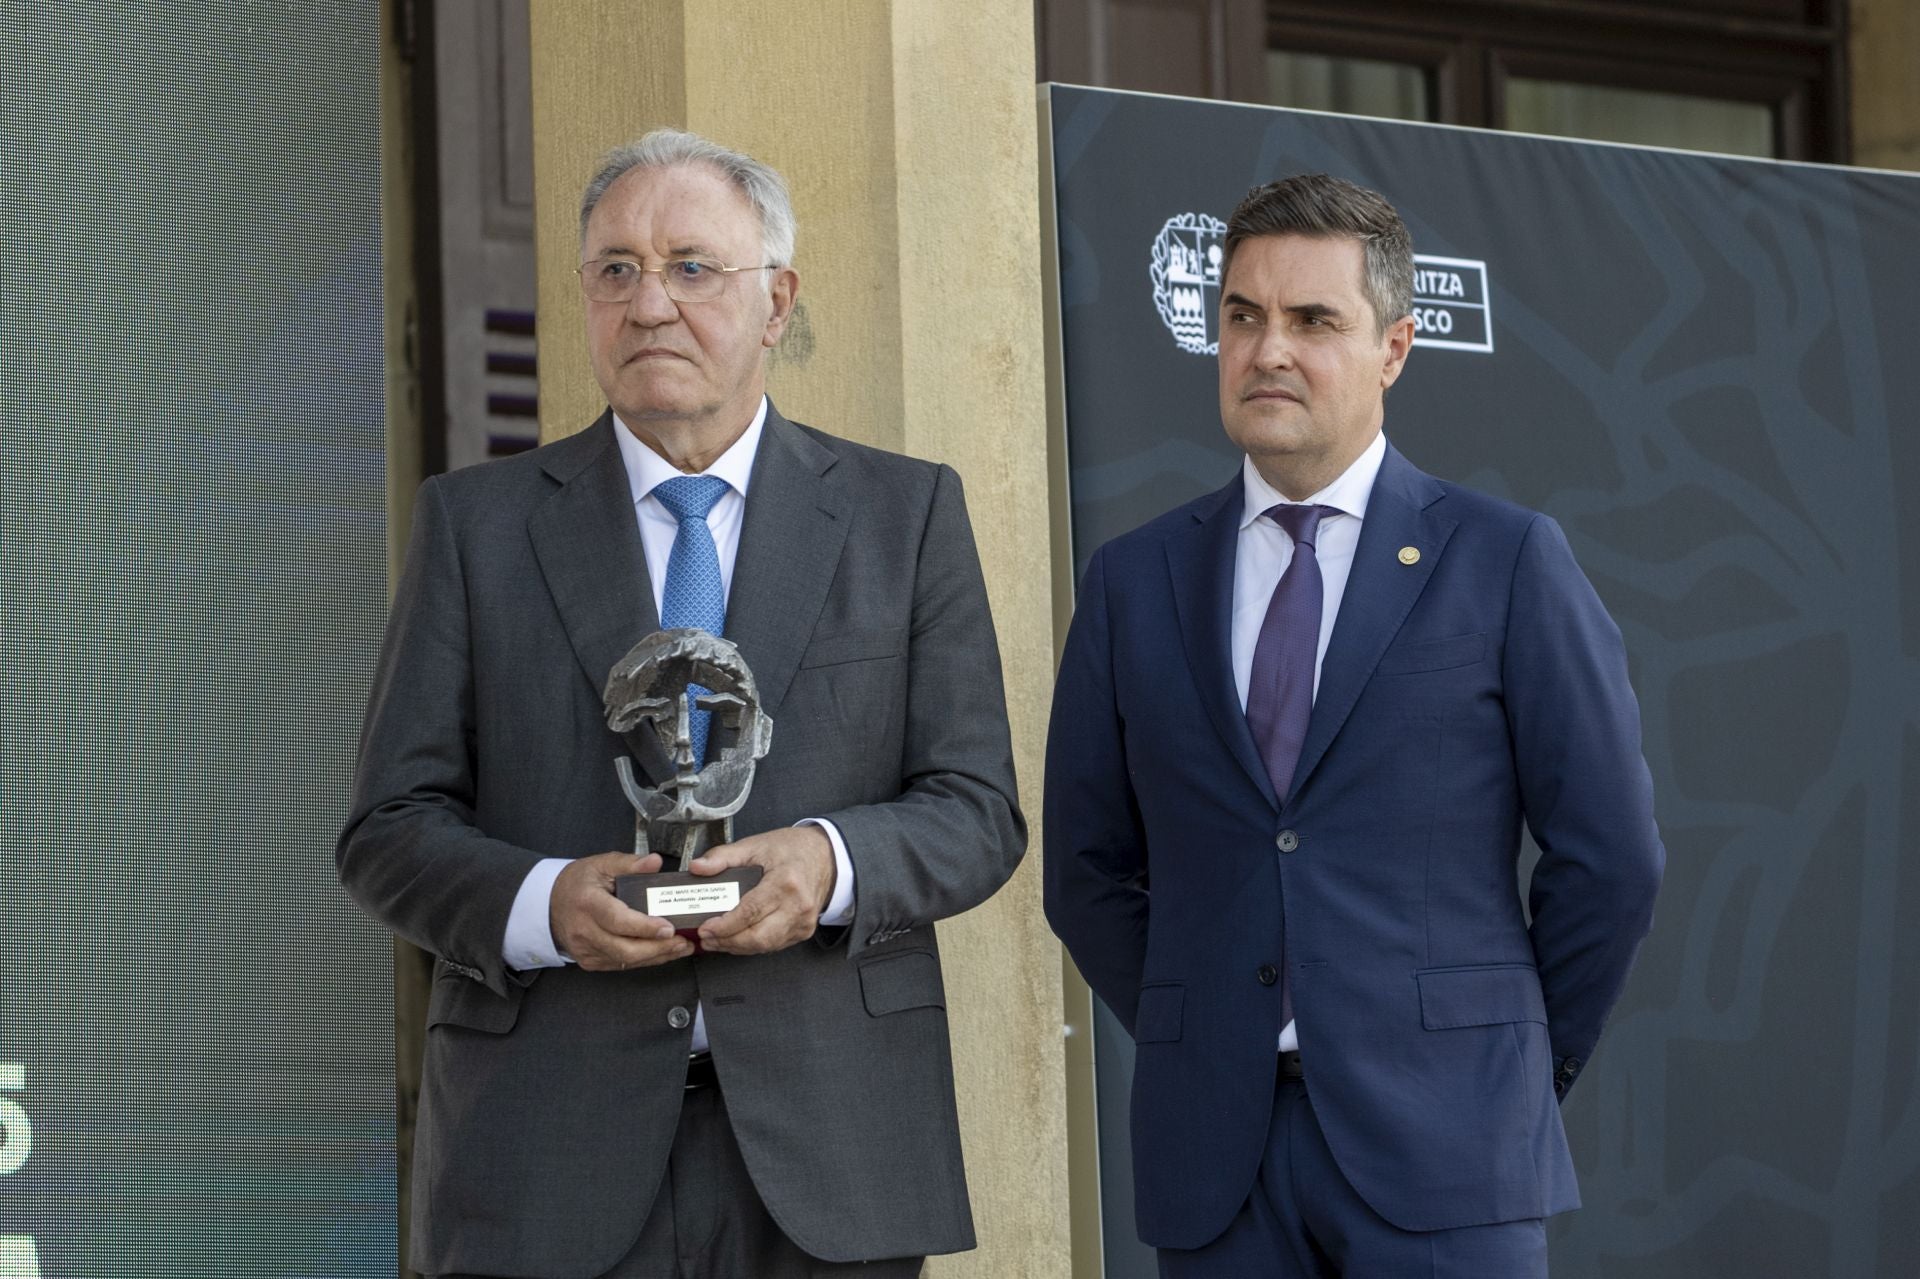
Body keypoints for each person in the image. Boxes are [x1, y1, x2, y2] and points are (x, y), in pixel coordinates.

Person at [339, 128, 1022, 1279]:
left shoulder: (906, 517)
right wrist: (543, 902)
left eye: (692, 267)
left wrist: (829, 862)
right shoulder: (477, 527)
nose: (649, 303)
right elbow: (386, 829)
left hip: (831, 1162)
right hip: (544, 1155)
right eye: (616, 270)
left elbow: (977, 809)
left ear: (776, 300)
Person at [1042, 173, 1663, 1277]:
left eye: (1313, 320)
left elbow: (1609, 856)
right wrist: (1207, 1033)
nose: (1267, 349)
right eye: (1242, 316)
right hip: (1218, 1169)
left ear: (1396, 348)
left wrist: (1502, 1059)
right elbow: (1087, 869)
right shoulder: (1136, 580)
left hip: (1452, 1151)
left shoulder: (1509, 561)